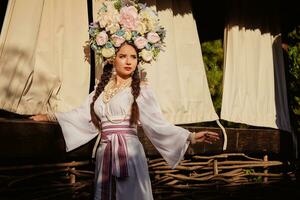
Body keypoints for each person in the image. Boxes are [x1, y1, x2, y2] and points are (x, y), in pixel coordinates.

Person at [30, 1, 220, 199]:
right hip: (106, 153)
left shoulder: (141, 91)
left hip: (130, 155)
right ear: (113, 58)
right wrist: (49, 117)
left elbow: (158, 124)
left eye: (133, 57)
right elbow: (80, 115)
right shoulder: (100, 90)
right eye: (123, 56)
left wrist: (190, 136)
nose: (129, 61)